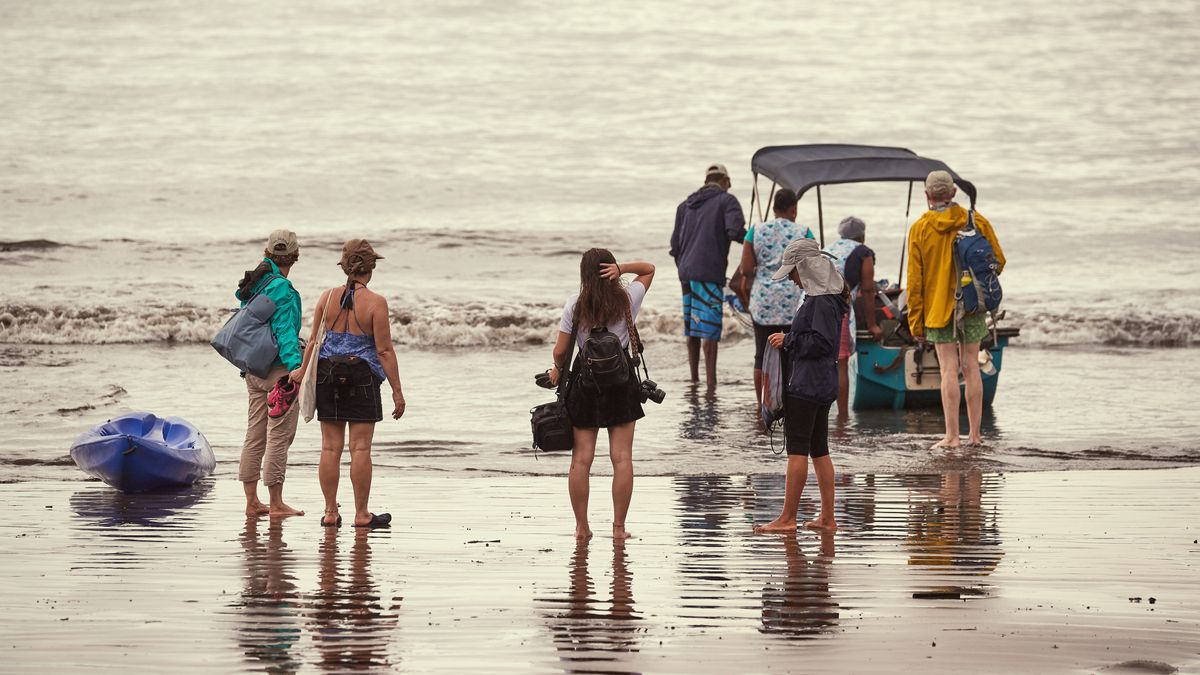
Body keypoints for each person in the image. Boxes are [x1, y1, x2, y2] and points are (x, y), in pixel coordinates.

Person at [292, 239, 406, 528]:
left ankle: (330, 513)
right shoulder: (376, 303)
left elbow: (314, 342)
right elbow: (383, 350)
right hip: (363, 377)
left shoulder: (327, 297)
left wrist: (302, 371)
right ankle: (361, 514)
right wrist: (397, 391)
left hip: (328, 373)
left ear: (344, 266)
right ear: (371, 268)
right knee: (360, 449)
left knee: (330, 448)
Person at [546, 249, 655, 540]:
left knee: (581, 460)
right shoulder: (627, 299)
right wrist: (623, 267)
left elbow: (560, 350)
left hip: (586, 383)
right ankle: (618, 529)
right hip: (621, 382)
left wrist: (557, 369)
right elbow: (649, 269)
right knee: (622, 458)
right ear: (612, 271)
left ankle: (582, 528)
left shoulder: (575, 305)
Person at [906, 171, 1005, 450]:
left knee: (948, 369)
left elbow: (915, 283)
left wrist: (916, 322)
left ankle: (952, 437)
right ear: (952, 194)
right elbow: (998, 261)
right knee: (971, 366)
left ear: (928, 196)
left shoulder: (920, 228)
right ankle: (975, 435)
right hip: (972, 306)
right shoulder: (976, 220)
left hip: (939, 310)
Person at [755, 238, 848, 534]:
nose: (793, 280)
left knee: (797, 450)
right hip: (822, 383)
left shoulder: (819, 301)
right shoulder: (830, 297)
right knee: (820, 450)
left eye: (794, 273)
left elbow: (820, 343)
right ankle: (827, 517)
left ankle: (787, 518)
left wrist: (788, 339)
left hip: (806, 385)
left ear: (807, 268)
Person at [236, 229, 305, 518]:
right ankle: (276, 503)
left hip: (252, 367)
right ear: (295, 256)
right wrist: (294, 367)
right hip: (278, 371)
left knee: (255, 434)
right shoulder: (283, 289)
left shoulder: (255, 283)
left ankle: (252, 502)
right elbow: (285, 331)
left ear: (267, 253)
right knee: (279, 436)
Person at [736, 188, 815, 417]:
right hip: (794, 304)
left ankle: (765, 404)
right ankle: (791, 401)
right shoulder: (804, 232)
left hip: (763, 304)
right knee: (792, 353)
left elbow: (747, 269)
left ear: (773, 209)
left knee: (762, 354)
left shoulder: (755, 231)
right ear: (794, 209)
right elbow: (812, 268)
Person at [669, 163, 746, 392]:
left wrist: (684, 267)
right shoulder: (727, 201)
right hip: (709, 272)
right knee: (710, 330)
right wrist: (753, 237)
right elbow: (735, 232)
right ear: (724, 181)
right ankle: (711, 384)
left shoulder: (685, 205)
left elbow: (675, 246)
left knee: (693, 329)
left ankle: (694, 379)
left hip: (685, 272)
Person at [823, 216, 884, 419]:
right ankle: (842, 418)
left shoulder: (827, 248)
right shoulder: (862, 253)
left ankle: (818, 413)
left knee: (819, 360)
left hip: (809, 306)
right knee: (840, 363)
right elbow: (867, 291)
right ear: (862, 236)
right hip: (835, 308)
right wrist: (873, 325)